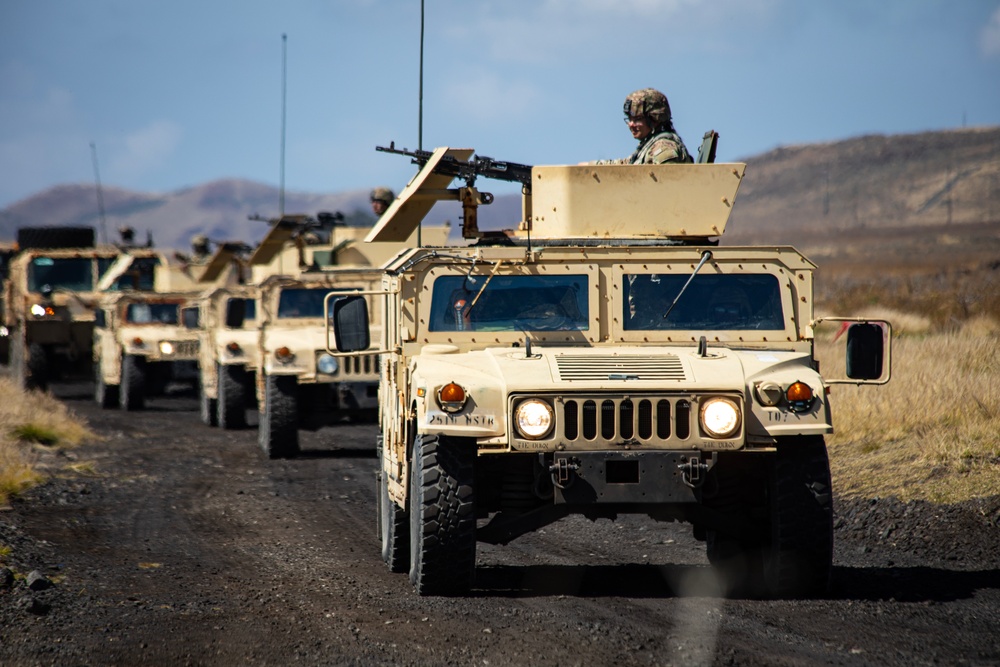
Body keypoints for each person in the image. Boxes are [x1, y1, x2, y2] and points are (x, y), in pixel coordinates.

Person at [590, 88, 692, 165]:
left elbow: (667, 187)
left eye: (637, 119)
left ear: (654, 119)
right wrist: (591, 166)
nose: (631, 124)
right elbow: (625, 165)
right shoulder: (648, 147)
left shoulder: (663, 148)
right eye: (630, 119)